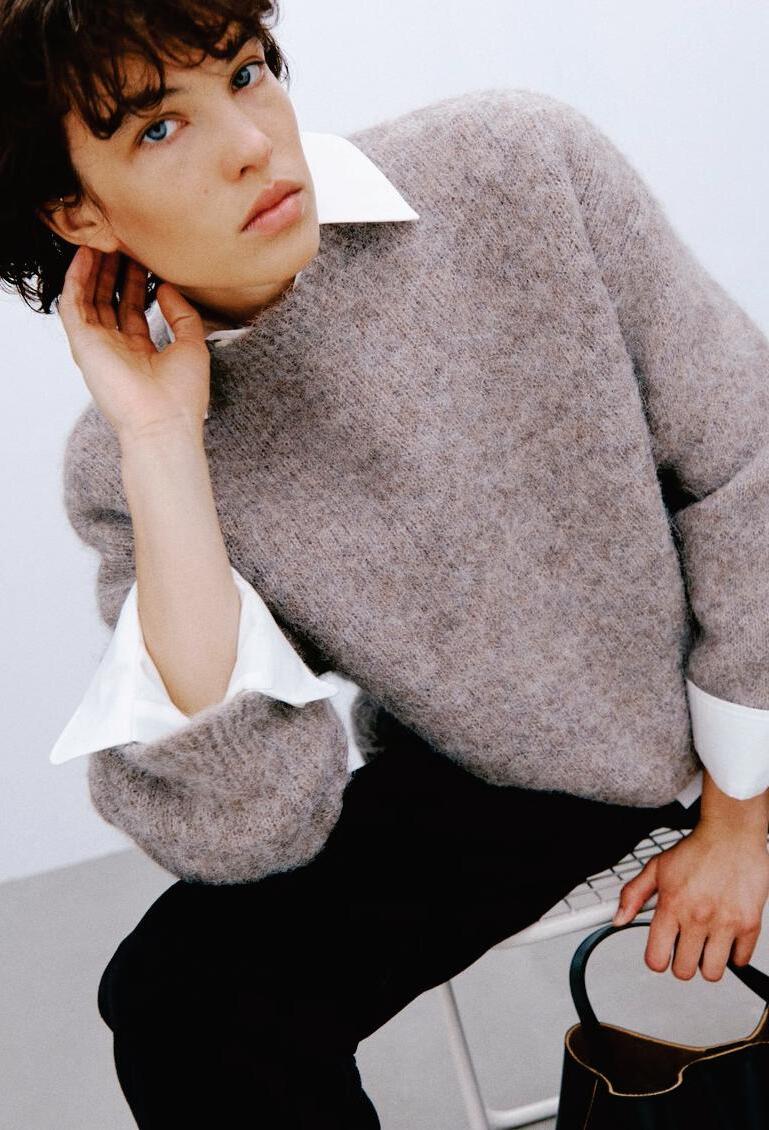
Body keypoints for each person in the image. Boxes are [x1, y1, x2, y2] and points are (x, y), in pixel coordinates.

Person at [3, 2, 769, 1126]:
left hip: (730, 662)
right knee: (182, 1004)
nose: (251, 142)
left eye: (246, 72)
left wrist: (741, 816)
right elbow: (250, 823)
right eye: (158, 129)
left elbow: (747, 466)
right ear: (77, 210)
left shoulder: (513, 164)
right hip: (513, 760)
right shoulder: (133, 458)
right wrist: (164, 443)